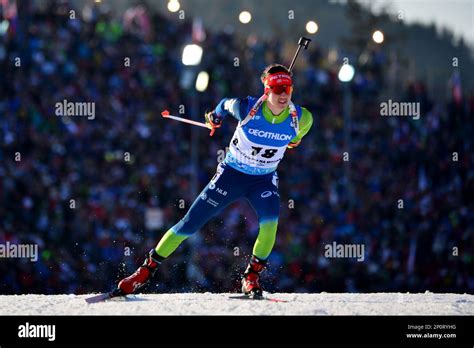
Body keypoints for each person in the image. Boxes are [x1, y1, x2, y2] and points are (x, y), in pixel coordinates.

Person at [117, 64, 313, 297]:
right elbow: (223, 105)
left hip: (263, 179)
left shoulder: (302, 118)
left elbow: (293, 142)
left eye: (287, 89)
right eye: (277, 89)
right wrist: (215, 117)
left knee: (270, 225)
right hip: (231, 175)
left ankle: (251, 277)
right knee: (190, 223)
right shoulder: (247, 107)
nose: (283, 95)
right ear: (266, 90)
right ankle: (144, 272)